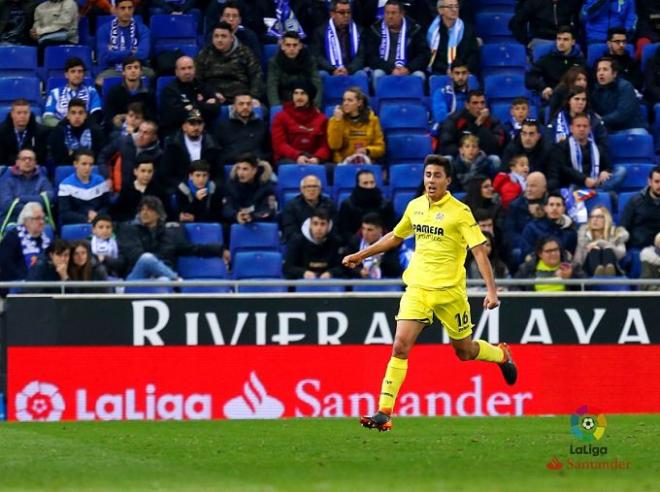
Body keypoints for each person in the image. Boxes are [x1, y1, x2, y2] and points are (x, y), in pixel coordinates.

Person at [342, 154, 517, 432]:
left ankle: (500, 355)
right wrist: (361, 254)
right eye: (427, 175)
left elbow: (479, 251)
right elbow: (396, 236)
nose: (431, 181)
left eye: (437, 176)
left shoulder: (460, 212)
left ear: (448, 180)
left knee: (464, 352)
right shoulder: (415, 207)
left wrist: (491, 291)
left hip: (450, 294)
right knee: (400, 346)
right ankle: (384, 412)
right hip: (418, 289)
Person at [118, 195, 223, 280]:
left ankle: (171, 281)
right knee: (146, 258)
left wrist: (220, 250)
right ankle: (176, 280)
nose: (144, 213)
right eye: (142, 210)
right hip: (137, 276)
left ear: (158, 214)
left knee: (163, 281)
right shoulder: (129, 230)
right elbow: (134, 256)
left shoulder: (170, 234)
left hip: (162, 276)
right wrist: (157, 267)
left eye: (149, 210)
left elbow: (192, 249)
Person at [195, 21, 265, 105]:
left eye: (223, 36)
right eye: (216, 36)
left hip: (241, 99)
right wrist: (210, 94)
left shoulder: (245, 53)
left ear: (231, 38)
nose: (219, 40)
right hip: (214, 98)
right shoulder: (204, 54)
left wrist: (253, 97)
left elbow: (256, 76)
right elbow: (197, 79)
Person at [365, 0, 429, 88]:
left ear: (402, 14)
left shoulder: (414, 29)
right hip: (385, 70)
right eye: (387, 13)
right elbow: (371, 56)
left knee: (419, 76)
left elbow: (423, 54)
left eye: (393, 13)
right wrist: (391, 69)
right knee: (377, 74)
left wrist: (408, 68)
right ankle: (379, 101)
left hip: (409, 70)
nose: (390, 16)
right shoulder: (375, 30)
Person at [553, 113, 624, 191]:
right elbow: (563, 169)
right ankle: (598, 193)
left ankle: (597, 192)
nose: (582, 129)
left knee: (621, 171)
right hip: (574, 185)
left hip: (595, 183)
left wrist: (605, 171)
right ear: (571, 128)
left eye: (585, 126)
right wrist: (584, 179)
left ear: (590, 129)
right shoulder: (562, 146)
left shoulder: (597, 148)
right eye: (578, 126)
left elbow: (608, 166)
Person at [161, 109, 222, 194]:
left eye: (199, 124)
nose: (196, 127)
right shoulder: (173, 145)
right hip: (181, 191)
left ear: (203, 126)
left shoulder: (212, 144)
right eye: (192, 124)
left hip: (206, 189)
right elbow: (166, 174)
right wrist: (179, 185)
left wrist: (213, 184)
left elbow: (219, 173)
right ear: (184, 127)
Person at [159, 55, 221, 137]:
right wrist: (204, 105)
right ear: (176, 72)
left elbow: (216, 108)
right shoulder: (169, 90)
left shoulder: (202, 86)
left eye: (190, 68)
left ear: (194, 69)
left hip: (204, 131)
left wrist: (191, 107)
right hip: (178, 133)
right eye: (183, 69)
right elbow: (178, 115)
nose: (187, 71)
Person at [439, 90, 506, 164]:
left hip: (482, 160)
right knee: (447, 159)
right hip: (459, 159)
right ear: (467, 105)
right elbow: (445, 146)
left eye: (482, 103)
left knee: (494, 159)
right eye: (475, 103)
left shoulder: (493, 121)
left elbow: (495, 147)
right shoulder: (454, 120)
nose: (480, 107)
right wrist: (466, 152)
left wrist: (479, 124)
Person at [271, 81, 330, 164]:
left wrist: (317, 158)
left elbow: (324, 146)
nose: (298, 97)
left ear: (310, 96)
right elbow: (279, 145)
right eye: (296, 93)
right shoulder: (280, 117)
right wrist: (297, 156)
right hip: (289, 158)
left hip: (312, 157)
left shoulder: (321, 118)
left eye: (303, 93)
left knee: (329, 168)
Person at [95, 0, 152, 85]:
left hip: (137, 69)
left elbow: (143, 55)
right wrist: (131, 51)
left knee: (151, 74)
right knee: (99, 81)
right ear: (116, 10)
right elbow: (104, 57)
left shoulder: (143, 29)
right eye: (123, 8)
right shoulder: (104, 30)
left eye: (130, 8)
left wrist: (114, 53)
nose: (127, 12)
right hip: (113, 69)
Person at [98, 120, 161, 192]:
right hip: (118, 191)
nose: (141, 135)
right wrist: (107, 177)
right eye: (140, 131)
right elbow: (102, 157)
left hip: (144, 193)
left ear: (154, 137)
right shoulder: (123, 142)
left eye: (146, 133)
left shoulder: (158, 154)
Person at [525, 26, 585, 102]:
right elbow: (530, 78)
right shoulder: (547, 59)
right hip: (552, 99)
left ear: (573, 42)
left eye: (565, 39)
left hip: (575, 99)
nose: (561, 43)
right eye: (559, 39)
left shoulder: (580, 61)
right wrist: (543, 87)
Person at [327, 87, 385, 164]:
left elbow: (380, 148)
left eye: (350, 100)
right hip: (343, 163)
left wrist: (367, 150)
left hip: (366, 163)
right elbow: (334, 146)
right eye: (344, 100)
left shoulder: (373, 120)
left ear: (359, 103)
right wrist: (338, 122)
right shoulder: (335, 120)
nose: (345, 103)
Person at [284, 207, 344, 280]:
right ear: (310, 225)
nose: (319, 228)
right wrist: (303, 272)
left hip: (328, 285)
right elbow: (288, 268)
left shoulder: (335, 242)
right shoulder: (297, 241)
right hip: (303, 285)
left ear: (328, 226)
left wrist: (331, 273)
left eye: (323, 224)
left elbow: (342, 267)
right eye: (315, 224)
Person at [336, 169, 394, 244]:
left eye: (372, 183)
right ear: (358, 184)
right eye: (365, 183)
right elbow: (344, 231)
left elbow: (390, 229)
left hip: (382, 245)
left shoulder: (385, 205)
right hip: (355, 246)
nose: (369, 186)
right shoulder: (347, 205)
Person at [266, 30, 322, 108]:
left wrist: (315, 105)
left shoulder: (309, 60)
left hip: (306, 101)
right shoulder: (274, 62)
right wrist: (276, 108)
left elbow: (316, 83)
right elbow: (272, 87)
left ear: (300, 46)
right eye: (288, 45)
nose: (291, 48)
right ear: (282, 46)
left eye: (295, 45)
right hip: (284, 101)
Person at [310, 0, 366, 77]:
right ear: (332, 14)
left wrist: (348, 69)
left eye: (349, 12)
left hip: (351, 72)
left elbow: (360, 56)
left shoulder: (359, 31)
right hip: (330, 72)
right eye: (342, 12)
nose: (346, 15)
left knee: (361, 74)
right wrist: (332, 69)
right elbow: (318, 56)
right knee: (322, 74)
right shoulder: (320, 32)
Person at [590, 56, 647, 132]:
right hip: (609, 130)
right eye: (598, 70)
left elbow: (622, 114)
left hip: (632, 128)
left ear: (614, 74)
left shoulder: (625, 86)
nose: (601, 73)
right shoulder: (596, 90)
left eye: (605, 69)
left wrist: (601, 120)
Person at [502, 119, 560, 191]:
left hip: (540, 191)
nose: (527, 138)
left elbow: (553, 179)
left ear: (538, 136)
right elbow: (503, 174)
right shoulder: (511, 150)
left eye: (531, 134)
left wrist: (540, 188)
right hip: (515, 190)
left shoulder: (548, 151)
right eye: (524, 134)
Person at [43, 57, 103, 128]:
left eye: (80, 71)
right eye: (73, 71)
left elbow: (96, 114)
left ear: (83, 74)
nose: (77, 75)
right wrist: (66, 126)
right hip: (61, 130)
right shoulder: (55, 93)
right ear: (66, 74)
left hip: (85, 128)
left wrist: (81, 126)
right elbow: (47, 117)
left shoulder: (91, 91)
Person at [0, 148, 54, 226]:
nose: (27, 161)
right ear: (17, 162)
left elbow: (49, 199)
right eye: (24, 159)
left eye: (30, 159)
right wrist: (32, 210)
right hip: (12, 220)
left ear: (35, 163)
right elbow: (6, 204)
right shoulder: (8, 181)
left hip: (38, 220)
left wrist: (20, 198)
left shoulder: (43, 180)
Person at [103, 56, 157, 133]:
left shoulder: (148, 93)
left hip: (142, 131)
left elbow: (152, 118)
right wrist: (123, 126)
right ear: (123, 72)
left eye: (136, 67)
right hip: (118, 130)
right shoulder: (114, 91)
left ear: (141, 72)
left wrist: (132, 122)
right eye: (129, 68)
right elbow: (109, 117)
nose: (133, 71)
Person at [214, 92, 270, 165]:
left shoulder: (261, 125)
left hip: (257, 164)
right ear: (234, 106)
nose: (245, 107)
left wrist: (261, 159)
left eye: (248, 104)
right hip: (232, 165)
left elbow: (268, 150)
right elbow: (218, 152)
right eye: (241, 104)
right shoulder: (222, 126)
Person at [58, 149, 111, 225]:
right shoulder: (66, 185)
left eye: (90, 164)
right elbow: (65, 213)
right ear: (75, 164)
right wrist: (86, 218)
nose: (88, 168)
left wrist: (97, 217)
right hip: (77, 223)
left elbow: (107, 205)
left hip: (99, 221)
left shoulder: (100, 181)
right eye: (84, 164)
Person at [221, 154, 277, 226]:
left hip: (258, 225)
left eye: (245, 169)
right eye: (238, 168)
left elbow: (269, 210)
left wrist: (252, 216)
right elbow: (226, 208)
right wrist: (236, 215)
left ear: (254, 170)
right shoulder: (230, 185)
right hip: (236, 224)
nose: (240, 173)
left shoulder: (266, 186)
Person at [0, 202, 50, 282]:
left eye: (43, 218)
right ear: (26, 221)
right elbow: (5, 265)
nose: (42, 222)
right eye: (37, 218)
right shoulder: (12, 238)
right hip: (17, 286)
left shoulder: (46, 239)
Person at [47, 98, 107, 165]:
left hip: (90, 168)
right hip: (66, 169)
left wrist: (72, 153)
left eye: (80, 113)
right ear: (68, 115)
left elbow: (100, 156)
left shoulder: (95, 131)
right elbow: (58, 158)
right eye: (73, 113)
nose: (77, 116)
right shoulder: (59, 131)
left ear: (85, 115)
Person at [426, 0, 478, 76]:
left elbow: (473, 55)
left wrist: (462, 69)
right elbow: (428, 55)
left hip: (464, 71)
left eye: (456, 6)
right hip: (440, 71)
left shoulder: (468, 30)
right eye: (450, 7)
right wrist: (447, 69)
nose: (454, 9)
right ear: (440, 10)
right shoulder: (431, 31)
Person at [514, 236, 586, 291]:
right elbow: (513, 287)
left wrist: (571, 277)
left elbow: (587, 286)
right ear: (540, 254)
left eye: (556, 250)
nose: (553, 253)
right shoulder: (527, 268)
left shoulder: (572, 266)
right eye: (549, 251)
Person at [344, 212, 402, 279]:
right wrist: (359, 271)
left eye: (370, 230)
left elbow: (395, 270)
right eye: (363, 228)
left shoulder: (389, 243)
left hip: (384, 283)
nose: (365, 233)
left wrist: (380, 262)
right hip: (360, 283)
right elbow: (345, 269)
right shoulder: (355, 242)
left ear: (380, 230)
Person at [573, 205, 628, 276]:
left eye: (599, 217)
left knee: (608, 250)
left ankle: (607, 274)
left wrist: (600, 243)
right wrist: (589, 250)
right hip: (588, 271)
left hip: (613, 268)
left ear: (606, 219)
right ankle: (598, 275)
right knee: (594, 251)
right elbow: (578, 260)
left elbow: (621, 254)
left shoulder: (616, 233)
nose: (594, 220)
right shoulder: (583, 234)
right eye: (592, 217)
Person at [281, 174, 336, 243]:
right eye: (308, 186)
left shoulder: (329, 204)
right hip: (300, 246)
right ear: (301, 189)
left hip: (325, 244)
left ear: (320, 189)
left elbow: (335, 228)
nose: (311, 189)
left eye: (315, 186)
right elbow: (290, 232)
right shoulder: (291, 206)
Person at [520, 192, 578, 257]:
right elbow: (526, 253)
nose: (554, 208)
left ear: (563, 209)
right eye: (551, 205)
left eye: (558, 205)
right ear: (545, 208)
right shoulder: (531, 228)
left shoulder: (570, 232)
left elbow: (570, 256)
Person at [111, 155, 165, 222]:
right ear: (135, 171)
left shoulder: (158, 190)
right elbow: (117, 212)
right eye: (143, 171)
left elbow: (164, 212)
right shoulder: (127, 189)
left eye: (149, 171)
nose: (146, 175)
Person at [509, 0, 581, 48]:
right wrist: (527, 42)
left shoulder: (572, 2)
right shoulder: (534, 2)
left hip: (565, 43)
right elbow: (515, 23)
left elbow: (578, 23)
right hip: (542, 43)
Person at [620, 166, 660, 249]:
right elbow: (624, 226)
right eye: (657, 182)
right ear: (649, 182)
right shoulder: (635, 201)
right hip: (640, 246)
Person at [0, 99, 49, 165]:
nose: (22, 116)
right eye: (19, 113)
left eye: (25, 113)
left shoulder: (40, 131)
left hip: (32, 167)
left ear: (29, 114)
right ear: (12, 114)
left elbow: (41, 157)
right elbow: (2, 157)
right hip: (8, 168)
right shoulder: (2, 131)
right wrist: (19, 162)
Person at [430, 59, 476, 126]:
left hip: (468, 127)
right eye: (457, 73)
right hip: (447, 129)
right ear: (451, 74)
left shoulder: (474, 93)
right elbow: (441, 119)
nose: (460, 77)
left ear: (468, 74)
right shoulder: (441, 93)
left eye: (464, 73)